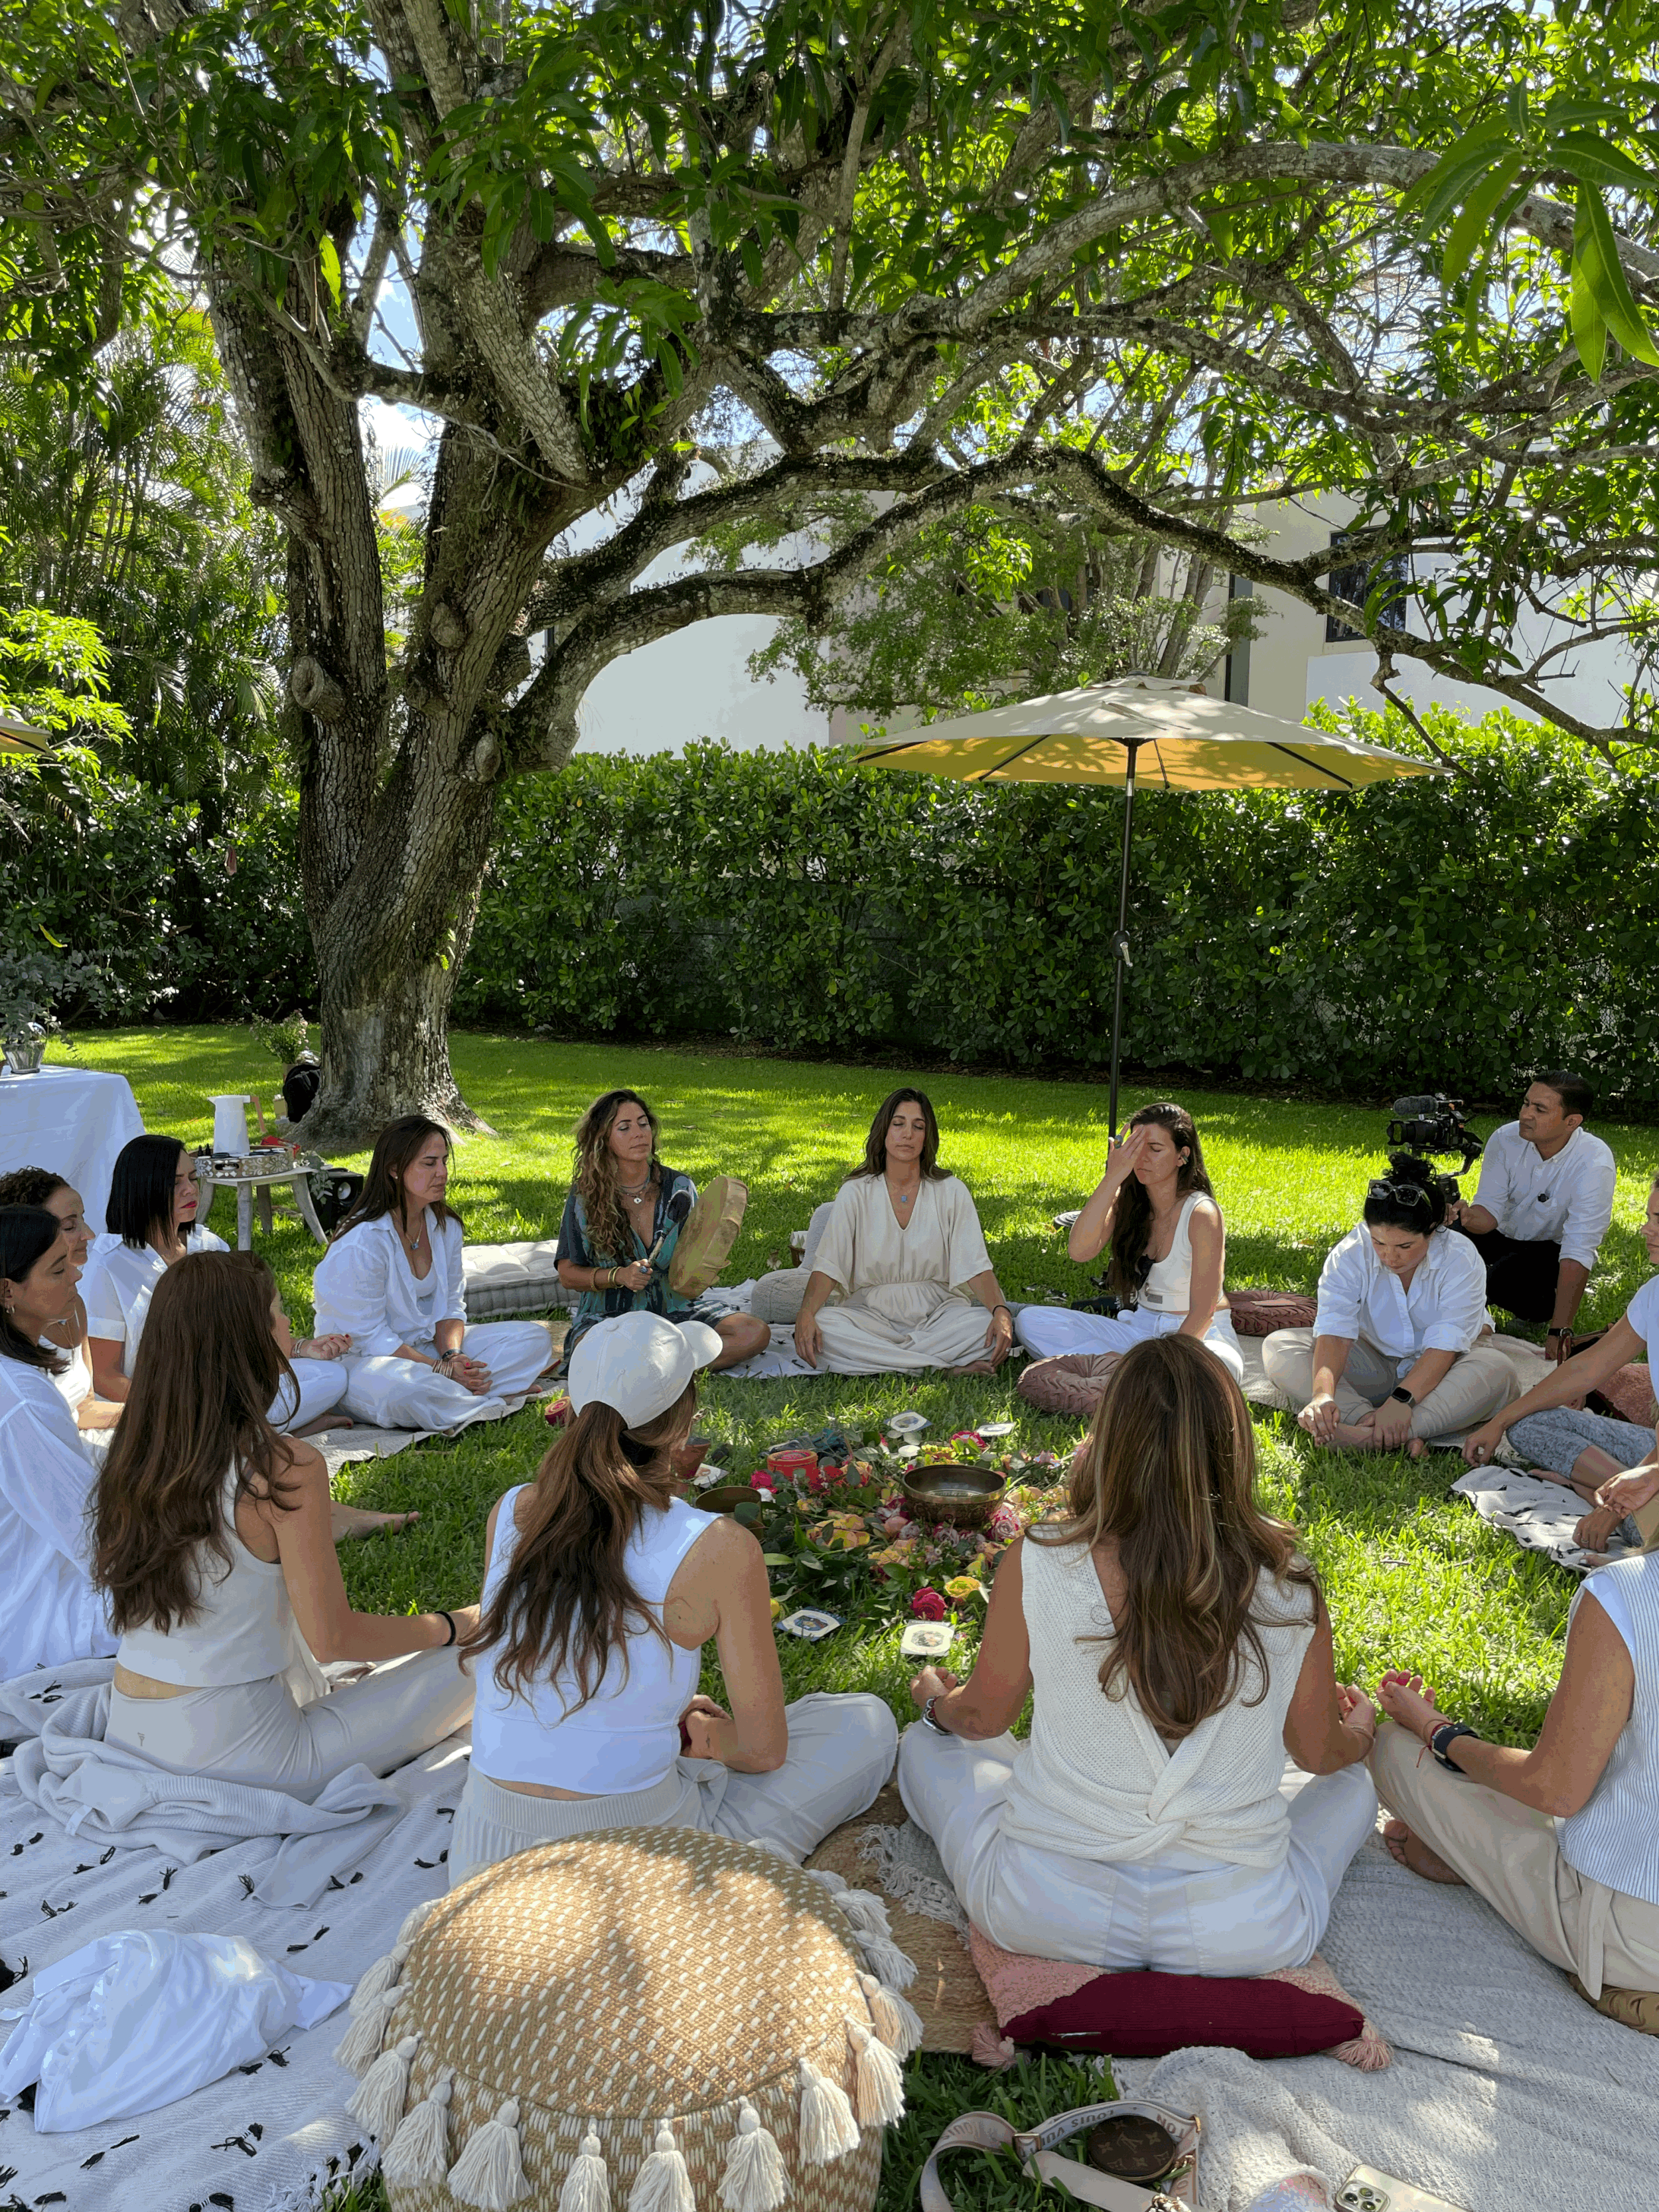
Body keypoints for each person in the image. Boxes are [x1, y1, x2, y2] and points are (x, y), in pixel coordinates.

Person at [897, 1336, 1378, 1974]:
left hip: (1045, 1906)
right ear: (1233, 1450)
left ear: (1109, 1440)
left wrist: (936, 1702)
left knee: (927, 1746)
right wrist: (1361, 1735)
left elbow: (983, 1720)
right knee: (1351, 1788)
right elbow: (1318, 1754)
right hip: (1242, 1928)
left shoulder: (1040, 1558)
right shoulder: (1290, 1585)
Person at [449, 1310, 897, 1883]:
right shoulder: (719, 1547)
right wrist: (707, 1737)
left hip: (481, 1861)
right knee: (867, 1723)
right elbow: (762, 1751)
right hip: (638, 1873)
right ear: (683, 1425)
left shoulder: (510, 1512)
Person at [94, 1251, 474, 1793]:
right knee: (490, 1657)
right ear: (244, 1340)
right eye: (277, 1312)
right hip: (247, 1758)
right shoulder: (282, 1467)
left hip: (129, 1729)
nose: (288, 1324)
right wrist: (454, 1624)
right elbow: (335, 1637)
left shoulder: (129, 1454)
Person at [1370, 1574, 1659, 2025]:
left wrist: (1438, 1732)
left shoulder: (1628, 1592)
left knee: (1391, 1746)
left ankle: (1475, 1860)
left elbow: (1555, 1788)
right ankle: (1478, 1858)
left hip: (1634, 1934)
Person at [84, 1134, 351, 1438]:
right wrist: (176, 1412)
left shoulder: (208, 1245)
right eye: (175, 1183)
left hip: (225, 1395)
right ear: (143, 1187)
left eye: (194, 1178)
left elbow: (247, 1332)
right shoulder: (108, 1266)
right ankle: (255, 1434)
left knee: (331, 1375)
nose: (190, 1189)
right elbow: (104, 1377)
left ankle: (250, 1433)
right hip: (161, 1409)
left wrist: (301, 1348)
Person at [1263, 1155, 1516, 1453]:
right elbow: (1334, 1331)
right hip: (1374, 1363)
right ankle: (1371, 1423)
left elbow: (1446, 1344)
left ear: (1433, 1231)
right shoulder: (1350, 1253)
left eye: (1404, 1246)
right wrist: (1322, 1396)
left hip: (1445, 1370)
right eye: (1379, 1243)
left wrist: (1402, 1401)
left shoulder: (1460, 1257)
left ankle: (1370, 1437)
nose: (1389, 1257)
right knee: (1280, 1348)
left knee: (1499, 1370)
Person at [312, 1116, 553, 1430]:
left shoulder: (445, 1227)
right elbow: (369, 1338)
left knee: (533, 1339)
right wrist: (439, 1370)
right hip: (366, 1363)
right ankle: (490, 1397)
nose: (442, 1173)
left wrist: (454, 1357)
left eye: (444, 1162)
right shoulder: (362, 1242)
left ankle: (461, 1396)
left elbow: (452, 1305)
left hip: (430, 1349)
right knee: (406, 1391)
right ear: (395, 1170)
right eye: (429, 1163)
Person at [1463, 1174, 1659, 1555]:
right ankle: (1621, 1493)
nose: (1644, 1228)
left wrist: (1617, 1509)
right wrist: (1499, 1422)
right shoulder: (1654, 1295)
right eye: (1649, 1216)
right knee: (1530, 1423)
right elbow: (1587, 1369)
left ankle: (1607, 1494)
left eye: (1658, 1218)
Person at [1013, 1102, 1245, 1382]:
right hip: (1141, 1328)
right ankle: (1132, 1374)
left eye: (1155, 1149)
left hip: (1197, 1333)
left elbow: (1204, 1311)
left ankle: (1120, 1372)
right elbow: (1079, 1251)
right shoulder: (1130, 1200)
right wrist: (1112, 1178)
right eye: (1135, 1148)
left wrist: (1164, 1357)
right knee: (1032, 1321)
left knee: (1220, 1369)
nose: (1142, 1158)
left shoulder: (1202, 1212)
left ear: (1182, 1156)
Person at [793, 1088, 1014, 1375]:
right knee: (826, 1330)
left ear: (928, 1136)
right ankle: (938, 1368)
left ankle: (888, 1363)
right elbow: (828, 1266)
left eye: (918, 1126)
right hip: (869, 1313)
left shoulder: (952, 1191)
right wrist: (806, 1314)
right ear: (884, 1130)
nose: (907, 1134)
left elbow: (975, 1267)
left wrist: (1001, 1311)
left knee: (984, 1330)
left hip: (939, 1314)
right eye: (898, 1124)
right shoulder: (855, 1192)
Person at [554, 1089, 768, 1372]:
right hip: (608, 1315)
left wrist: (703, 1266)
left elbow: (695, 1252)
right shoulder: (585, 1197)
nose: (639, 1133)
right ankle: (671, 1366)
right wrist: (619, 1276)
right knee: (589, 1354)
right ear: (603, 1139)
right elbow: (568, 1274)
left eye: (643, 1124)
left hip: (674, 1309)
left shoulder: (679, 1187)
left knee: (754, 1333)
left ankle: (653, 1370)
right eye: (624, 1127)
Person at [0, 1207, 117, 1678]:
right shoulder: (20, 1400)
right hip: (32, 1620)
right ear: (7, 1290)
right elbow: (98, 1538)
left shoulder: (19, 1380)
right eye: (57, 1269)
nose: (76, 1275)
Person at [1448, 1073, 1616, 1355]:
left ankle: (1532, 1313)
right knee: (1443, 1240)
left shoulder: (1595, 1163)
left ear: (1572, 1122)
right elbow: (1489, 1211)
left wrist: (1559, 1331)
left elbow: (1579, 1248)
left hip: (1547, 1249)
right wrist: (1465, 1217)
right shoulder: (1505, 1138)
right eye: (1526, 1103)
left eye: (1540, 1109)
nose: (1525, 1114)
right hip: (1498, 1232)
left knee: (1502, 1278)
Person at [0, 1167, 122, 1440]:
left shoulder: (72, 1306)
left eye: (82, 1220)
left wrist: (160, 1416)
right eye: (69, 1226)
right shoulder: (13, 1346)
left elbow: (84, 1408)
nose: (89, 1234)